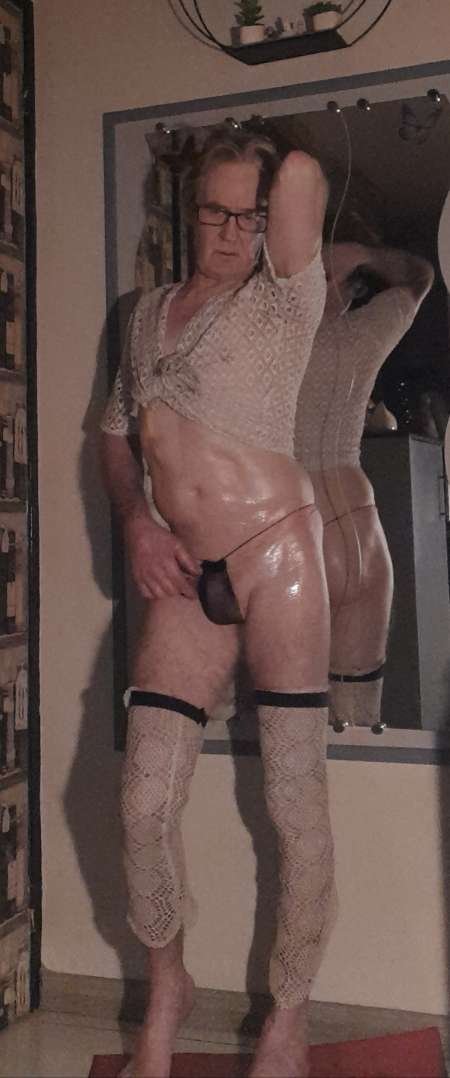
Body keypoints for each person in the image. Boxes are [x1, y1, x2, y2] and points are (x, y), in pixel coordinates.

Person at [100, 126, 332, 1078]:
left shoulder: (286, 297)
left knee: (291, 799)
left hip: (279, 555)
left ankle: (288, 1020)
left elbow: (306, 174)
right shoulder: (143, 315)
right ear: (186, 212)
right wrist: (136, 523)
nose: (234, 233)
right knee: (143, 802)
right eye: (217, 212)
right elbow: (115, 435)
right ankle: (169, 987)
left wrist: (266, 158)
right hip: (185, 570)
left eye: (252, 215)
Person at [295, 242, 434, 732]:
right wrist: (362, 254)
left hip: (298, 528)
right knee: (354, 721)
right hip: (358, 531)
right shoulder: (362, 336)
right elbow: (419, 276)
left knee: (287, 716)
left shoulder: (273, 342)